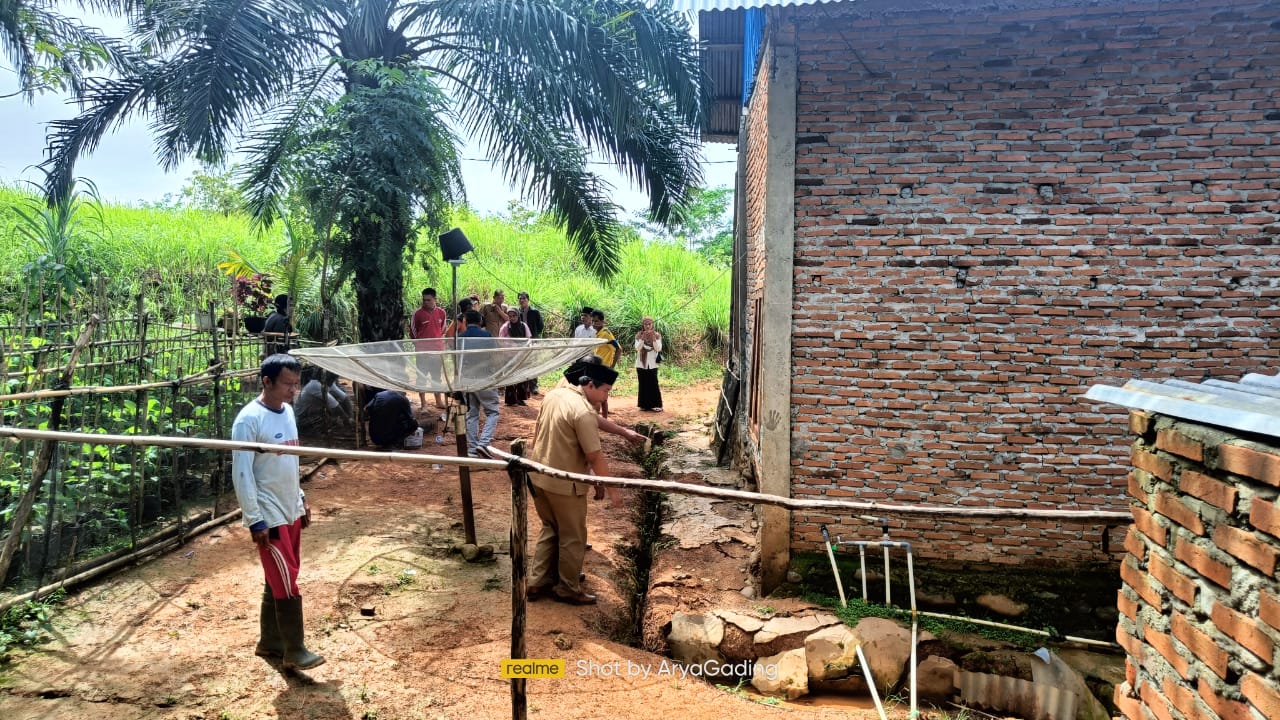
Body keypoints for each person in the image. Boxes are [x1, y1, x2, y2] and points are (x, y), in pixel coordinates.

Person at [230, 354, 324, 670]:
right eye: (287, 383)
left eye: (296, 384)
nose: (293, 390)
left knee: (279, 576)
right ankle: (294, 649)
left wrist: (300, 497)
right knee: (286, 580)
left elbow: (290, 461)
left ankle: (270, 642)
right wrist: (254, 518)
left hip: (290, 507)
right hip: (267, 514)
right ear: (267, 381)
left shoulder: (288, 413)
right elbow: (242, 473)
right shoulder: (248, 421)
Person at [527, 362, 620, 605]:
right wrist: (612, 490)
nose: (605, 397)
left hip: (538, 476)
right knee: (572, 536)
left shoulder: (554, 395)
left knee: (550, 528)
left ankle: (537, 581)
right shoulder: (584, 412)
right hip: (564, 484)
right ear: (590, 385)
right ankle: (567, 587)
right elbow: (594, 456)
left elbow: (536, 433)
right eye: (605, 391)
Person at [459, 310, 500, 457]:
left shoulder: (461, 337)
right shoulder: (487, 335)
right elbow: (495, 355)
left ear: (465, 321)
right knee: (493, 412)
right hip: (485, 378)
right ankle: (483, 444)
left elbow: (457, 360)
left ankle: (472, 450)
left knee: (472, 414)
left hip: (467, 380)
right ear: (480, 321)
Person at [410, 288, 448, 410]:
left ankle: (438, 401)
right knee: (421, 377)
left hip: (437, 350)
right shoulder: (417, 314)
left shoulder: (442, 313)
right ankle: (423, 403)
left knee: (436, 376)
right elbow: (413, 331)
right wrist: (420, 345)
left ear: (435, 299)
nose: (426, 302)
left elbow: (442, 329)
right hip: (423, 352)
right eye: (424, 300)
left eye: (428, 300)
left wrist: (436, 341)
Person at [499, 306, 532, 406]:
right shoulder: (505, 327)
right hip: (509, 356)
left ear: (518, 316)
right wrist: (510, 346)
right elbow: (500, 340)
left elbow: (528, 339)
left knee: (521, 377)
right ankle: (511, 400)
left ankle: (521, 398)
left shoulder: (523, 326)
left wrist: (527, 349)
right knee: (510, 377)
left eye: (514, 316)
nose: (512, 318)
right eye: (510, 316)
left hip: (521, 356)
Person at [590, 310, 619, 419]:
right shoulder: (598, 333)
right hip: (597, 367)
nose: (594, 324)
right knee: (599, 395)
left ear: (602, 321)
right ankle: (602, 419)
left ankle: (603, 419)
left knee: (601, 395)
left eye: (596, 321)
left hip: (605, 368)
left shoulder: (606, 333)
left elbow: (619, 349)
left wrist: (612, 366)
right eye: (592, 321)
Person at [517, 291, 544, 397]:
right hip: (520, 342)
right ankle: (523, 386)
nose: (522, 300)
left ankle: (534, 386)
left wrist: (534, 335)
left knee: (533, 362)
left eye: (524, 298)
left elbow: (540, 326)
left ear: (528, 300)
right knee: (521, 363)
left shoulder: (535, 312)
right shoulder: (517, 312)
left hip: (533, 340)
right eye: (520, 298)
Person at [634, 317, 664, 412]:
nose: (647, 326)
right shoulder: (639, 335)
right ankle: (644, 405)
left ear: (652, 325)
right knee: (643, 384)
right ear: (643, 325)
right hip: (641, 364)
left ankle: (656, 405)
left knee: (653, 383)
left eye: (649, 324)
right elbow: (638, 348)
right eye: (645, 324)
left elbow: (658, 348)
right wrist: (642, 338)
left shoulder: (657, 335)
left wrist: (653, 338)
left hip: (652, 363)